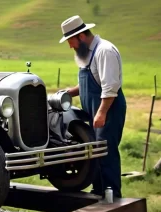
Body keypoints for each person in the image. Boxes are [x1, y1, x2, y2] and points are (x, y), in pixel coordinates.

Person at [59, 15, 127, 198]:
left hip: (108, 109)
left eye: (70, 41)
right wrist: (68, 92)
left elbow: (110, 87)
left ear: (81, 36)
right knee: (94, 151)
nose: (70, 46)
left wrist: (101, 113)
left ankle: (113, 194)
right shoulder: (86, 54)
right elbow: (88, 84)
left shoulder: (104, 51)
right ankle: (99, 191)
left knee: (106, 151)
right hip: (93, 111)